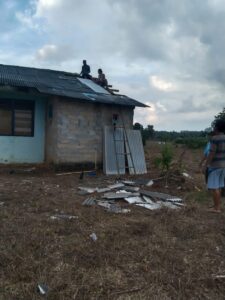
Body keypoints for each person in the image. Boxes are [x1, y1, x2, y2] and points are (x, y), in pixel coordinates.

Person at [203, 119, 225, 213]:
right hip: (223, 166)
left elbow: (211, 153)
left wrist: (205, 165)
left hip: (215, 166)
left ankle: (217, 208)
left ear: (216, 127)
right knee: (219, 186)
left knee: (214, 187)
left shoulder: (215, 139)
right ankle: (217, 205)